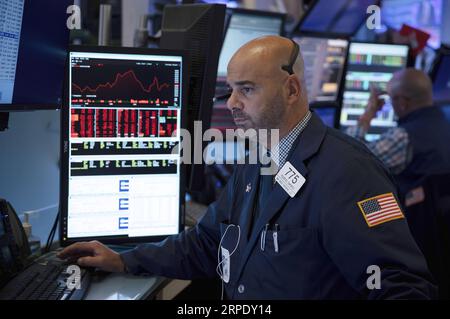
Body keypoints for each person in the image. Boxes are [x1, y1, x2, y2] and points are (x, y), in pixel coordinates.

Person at [58, 36, 437, 299]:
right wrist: (124, 259)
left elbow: (402, 288)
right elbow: (208, 242)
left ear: (291, 90)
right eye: (231, 90)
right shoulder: (255, 158)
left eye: (248, 89)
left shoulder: (349, 172)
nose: (234, 103)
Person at [346, 68, 450, 200]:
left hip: (404, 215)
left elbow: (352, 161)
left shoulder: (404, 137)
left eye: (391, 99)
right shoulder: (444, 121)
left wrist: (368, 114)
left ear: (402, 102)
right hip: (439, 215)